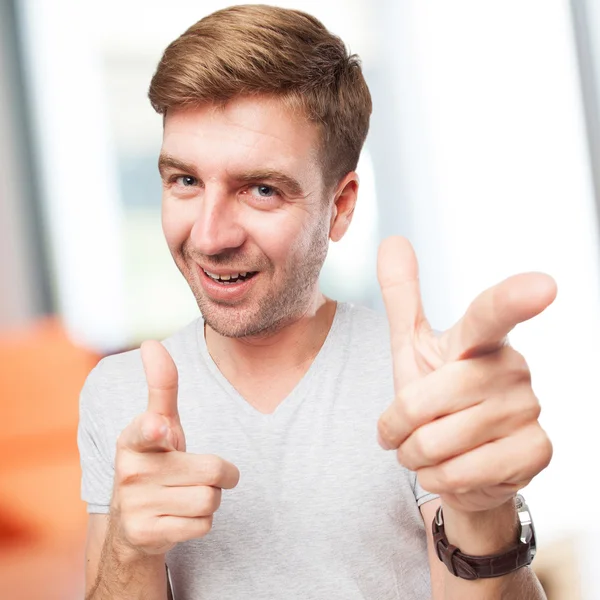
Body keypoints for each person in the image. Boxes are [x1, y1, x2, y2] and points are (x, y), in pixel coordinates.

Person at [78, 5, 556, 599]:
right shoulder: (117, 395)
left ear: (342, 205)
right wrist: (131, 548)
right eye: (185, 181)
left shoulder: (419, 385)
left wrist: (484, 516)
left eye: (261, 189)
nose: (208, 236)